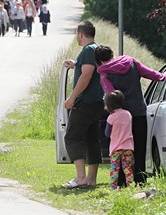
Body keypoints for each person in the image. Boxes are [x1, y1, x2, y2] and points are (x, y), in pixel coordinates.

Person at [95, 44, 166, 184]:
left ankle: (121, 181)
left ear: (99, 60)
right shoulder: (131, 62)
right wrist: (163, 76)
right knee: (139, 147)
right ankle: (140, 179)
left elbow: (110, 96)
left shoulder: (104, 74)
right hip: (139, 111)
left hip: (121, 117)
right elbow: (153, 74)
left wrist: (113, 113)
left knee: (120, 147)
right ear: (112, 53)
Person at [61, 21, 104, 189]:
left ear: (81, 34)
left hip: (84, 103)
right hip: (97, 102)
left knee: (72, 137)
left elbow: (86, 76)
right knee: (92, 140)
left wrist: (72, 98)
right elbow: (89, 70)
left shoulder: (87, 50)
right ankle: (91, 179)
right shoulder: (96, 49)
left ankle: (80, 177)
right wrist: (76, 64)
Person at [104, 90, 134, 190]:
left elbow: (107, 133)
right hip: (128, 146)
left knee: (114, 168)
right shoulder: (128, 114)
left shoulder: (111, 117)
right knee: (127, 167)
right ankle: (131, 186)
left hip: (116, 147)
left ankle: (113, 187)